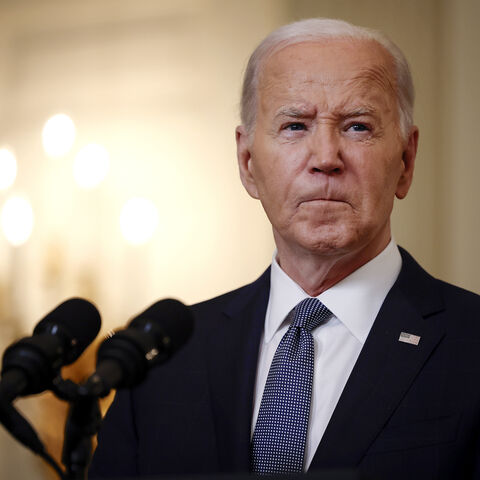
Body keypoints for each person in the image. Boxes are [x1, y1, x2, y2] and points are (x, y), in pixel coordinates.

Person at [89, 18, 480, 479]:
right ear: (247, 162)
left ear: (406, 162)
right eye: (295, 125)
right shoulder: (161, 361)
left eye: (357, 127)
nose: (326, 158)